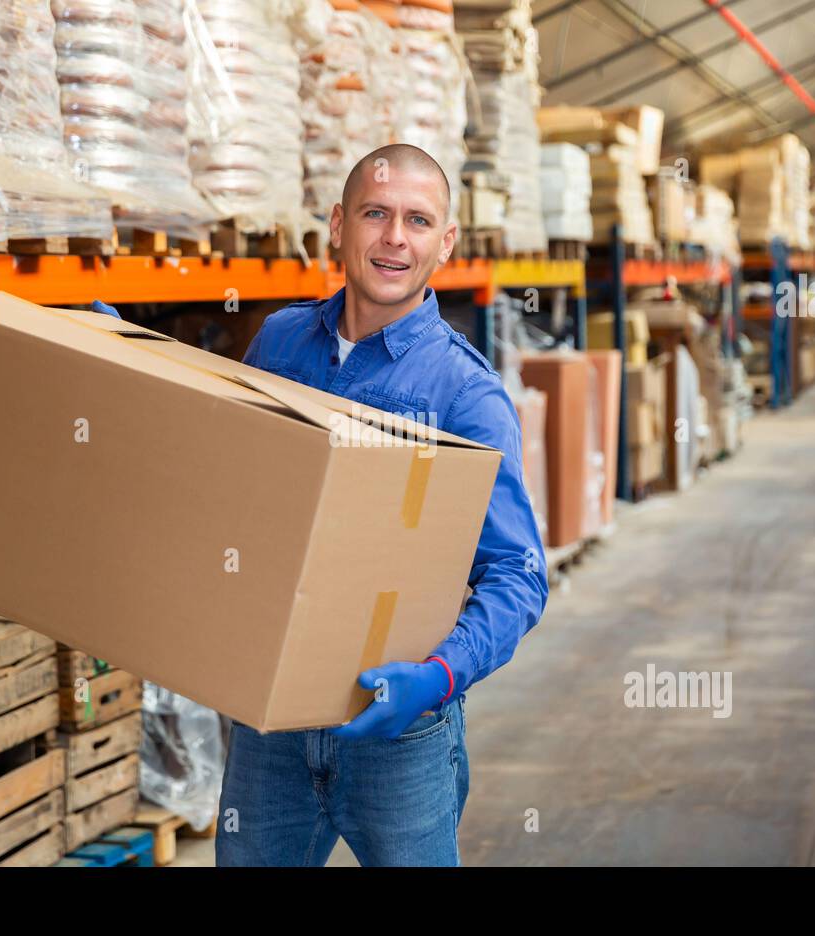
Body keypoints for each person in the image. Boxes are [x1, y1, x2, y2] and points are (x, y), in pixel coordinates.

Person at [95, 143, 547, 866]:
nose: (395, 237)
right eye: (376, 214)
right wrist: (127, 375)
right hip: (270, 725)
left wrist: (437, 677)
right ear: (339, 225)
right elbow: (221, 483)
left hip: (398, 735)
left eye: (418, 220)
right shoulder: (280, 341)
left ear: (446, 243)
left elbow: (520, 576)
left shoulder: (465, 395)